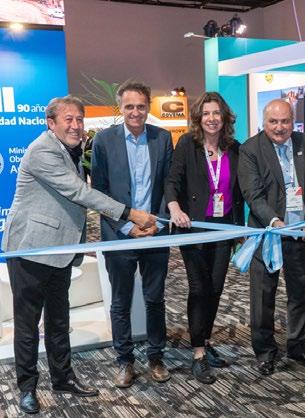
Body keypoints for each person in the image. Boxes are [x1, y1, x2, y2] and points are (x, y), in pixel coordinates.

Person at [1, 95, 155, 414]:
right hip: (31, 248)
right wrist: (131, 214)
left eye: (79, 119)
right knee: (28, 325)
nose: (76, 125)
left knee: (59, 320)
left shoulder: (72, 150)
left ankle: (63, 378)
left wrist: (126, 224)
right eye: (68, 119)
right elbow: (79, 192)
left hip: (60, 249)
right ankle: (27, 388)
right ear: (51, 123)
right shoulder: (43, 149)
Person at [91, 81, 173, 388]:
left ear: (148, 107)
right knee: (120, 302)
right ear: (120, 108)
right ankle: (124, 360)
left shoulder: (162, 138)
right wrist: (128, 226)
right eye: (129, 106)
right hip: (119, 234)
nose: (135, 112)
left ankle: (156, 357)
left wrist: (157, 224)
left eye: (141, 106)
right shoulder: (104, 140)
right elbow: (100, 192)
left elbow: (168, 186)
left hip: (155, 233)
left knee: (155, 298)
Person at [238, 99, 305, 376]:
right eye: (273, 122)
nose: (279, 127)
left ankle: (298, 347)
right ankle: (265, 352)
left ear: (293, 121)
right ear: (263, 123)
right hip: (267, 234)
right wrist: (275, 222)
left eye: (285, 121)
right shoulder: (250, 149)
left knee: (300, 293)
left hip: (301, 234)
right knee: (263, 297)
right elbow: (253, 195)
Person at [165, 92, 244, 384]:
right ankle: (198, 352)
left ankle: (206, 340)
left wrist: (241, 228)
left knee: (216, 288)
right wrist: (174, 208)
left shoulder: (234, 148)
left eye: (216, 113)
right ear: (199, 118)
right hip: (194, 228)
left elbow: (239, 192)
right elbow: (172, 180)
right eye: (206, 113)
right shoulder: (188, 144)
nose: (212, 119)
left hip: (224, 229)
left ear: (225, 117)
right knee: (199, 289)